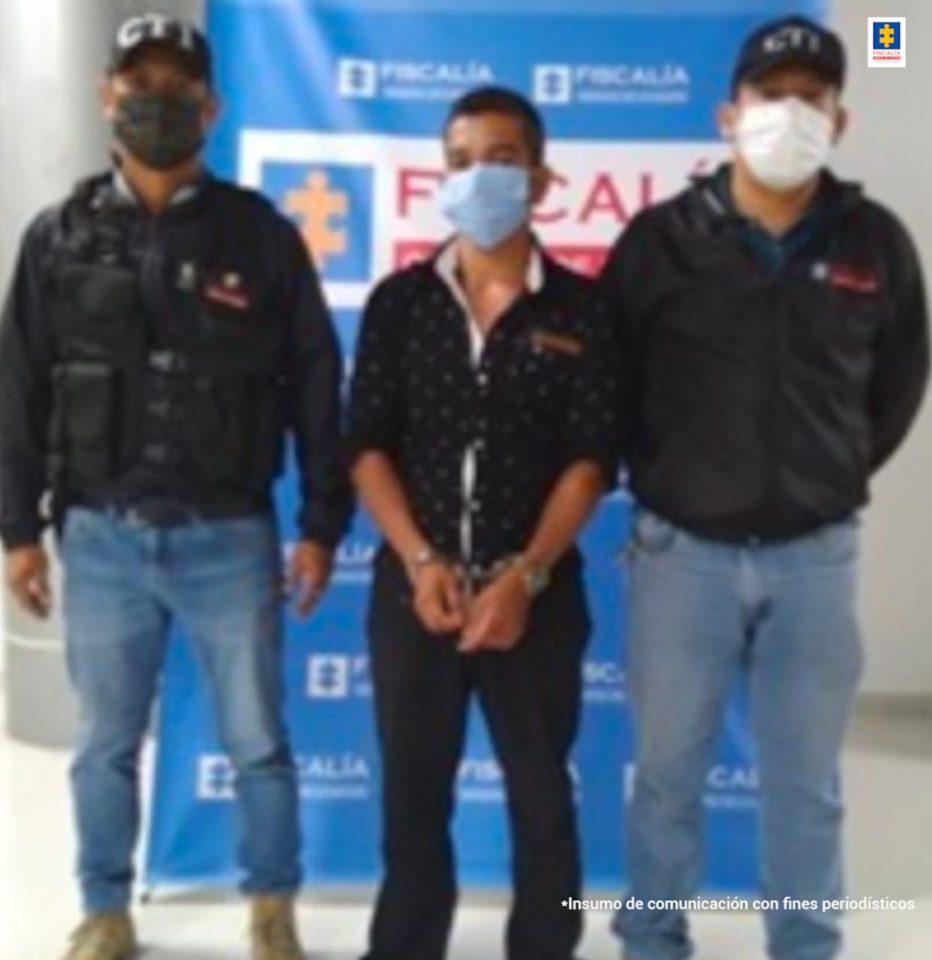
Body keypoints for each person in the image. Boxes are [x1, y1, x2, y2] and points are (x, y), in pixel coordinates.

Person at [0, 14, 353, 960]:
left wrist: (321, 523)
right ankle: (104, 910)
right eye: (138, 87)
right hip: (102, 535)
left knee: (257, 745)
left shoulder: (260, 236)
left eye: (177, 89)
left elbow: (316, 382)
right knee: (104, 746)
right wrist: (17, 529)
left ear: (212, 107)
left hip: (227, 535)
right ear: (106, 98)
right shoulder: (59, 236)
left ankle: (271, 907)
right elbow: (19, 387)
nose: (156, 104)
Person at [602, 15, 928, 960]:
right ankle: (652, 940)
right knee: (667, 775)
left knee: (805, 783)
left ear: (840, 118)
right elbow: (611, 385)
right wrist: (674, 480)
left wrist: (830, 471)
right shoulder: (660, 240)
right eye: (769, 96)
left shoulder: (876, 242)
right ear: (729, 114)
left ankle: (806, 945)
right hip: (683, 557)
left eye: (810, 98)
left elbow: (898, 383)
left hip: (816, 559)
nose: (789, 113)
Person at [347, 86, 621, 960]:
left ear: (540, 179)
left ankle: (546, 945)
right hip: (415, 595)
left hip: (534, 596)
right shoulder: (400, 303)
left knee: (543, 800)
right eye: (462, 161)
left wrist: (526, 574)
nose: (480, 177)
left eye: (502, 159)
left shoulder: (583, 310)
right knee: (412, 800)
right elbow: (366, 446)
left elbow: (590, 462)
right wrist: (420, 558)